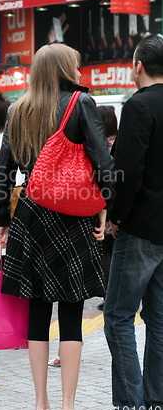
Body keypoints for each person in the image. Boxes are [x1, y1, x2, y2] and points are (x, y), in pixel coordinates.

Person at [0, 43, 115, 410]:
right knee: (73, 314)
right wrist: (106, 208)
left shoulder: (19, 109)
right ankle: (67, 407)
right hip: (73, 215)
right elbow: (102, 161)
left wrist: (4, 221)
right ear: (65, 68)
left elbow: (3, 173)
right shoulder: (81, 104)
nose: (80, 72)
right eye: (76, 65)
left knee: (37, 312)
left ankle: (40, 404)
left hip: (31, 215)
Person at [86, 35, 163, 410]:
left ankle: (130, 408)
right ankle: (156, 404)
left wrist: (113, 217)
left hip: (139, 229)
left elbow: (128, 172)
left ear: (137, 66)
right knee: (159, 321)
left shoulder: (138, 106)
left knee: (118, 316)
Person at [96, 106, 118, 311]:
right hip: (119, 202)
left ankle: (109, 294)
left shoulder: (98, 147)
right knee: (115, 249)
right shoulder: (120, 142)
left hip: (103, 203)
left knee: (104, 250)